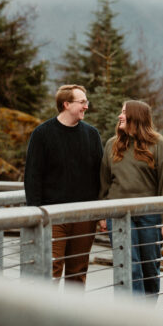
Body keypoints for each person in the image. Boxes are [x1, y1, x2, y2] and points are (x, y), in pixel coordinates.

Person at [24, 84, 103, 286]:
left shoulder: (92, 135)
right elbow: (32, 176)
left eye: (87, 101)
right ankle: (45, 317)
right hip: (52, 216)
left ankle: (71, 317)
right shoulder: (42, 134)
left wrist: (100, 213)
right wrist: (36, 214)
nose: (86, 106)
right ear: (66, 104)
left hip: (84, 216)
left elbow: (100, 176)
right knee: (50, 270)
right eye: (82, 102)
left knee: (77, 273)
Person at [99, 100, 163, 297]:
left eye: (123, 112)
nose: (119, 116)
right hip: (118, 215)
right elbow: (104, 183)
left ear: (136, 116)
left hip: (150, 216)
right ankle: (132, 318)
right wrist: (101, 214)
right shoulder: (111, 145)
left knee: (150, 268)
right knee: (128, 264)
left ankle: (146, 316)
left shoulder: (158, 145)